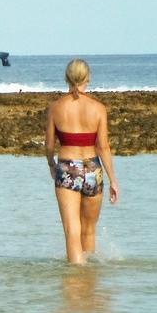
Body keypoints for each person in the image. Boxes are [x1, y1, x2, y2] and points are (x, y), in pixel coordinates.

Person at [45, 59, 119, 265]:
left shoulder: (56, 108)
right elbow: (103, 147)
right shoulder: (98, 108)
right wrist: (113, 180)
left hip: (67, 167)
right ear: (88, 78)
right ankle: (89, 282)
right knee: (88, 230)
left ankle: (75, 281)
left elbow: (49, 145)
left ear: (67, 78)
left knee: (72, 230)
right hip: (93, 169)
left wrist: (51, 164)